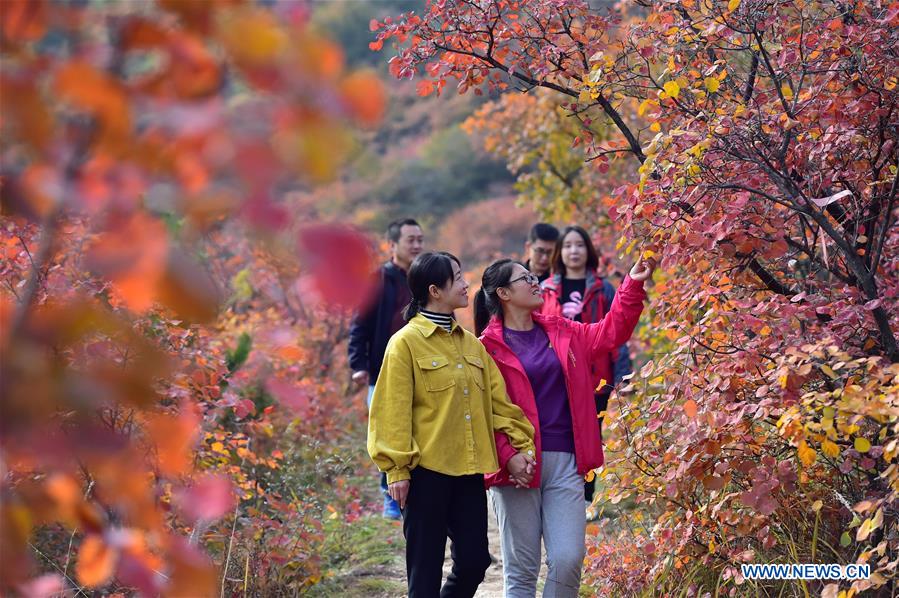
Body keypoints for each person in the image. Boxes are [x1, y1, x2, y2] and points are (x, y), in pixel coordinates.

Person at [474, 256, 654, 597]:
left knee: (569, 558)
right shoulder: (485, 349)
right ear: (503, 294)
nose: (534, 282)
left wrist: (632, 283)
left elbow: (612, 330)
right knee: (522, 571)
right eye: (524, 279)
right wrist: (506, 454)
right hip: (518, 467)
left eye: (532, 276)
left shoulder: (563, 331)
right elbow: (482, 414)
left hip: (566, 461)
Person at [367, 251, 537, 598]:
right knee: (424, 571)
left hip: (468, 470)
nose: (465, 284)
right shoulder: (405, 344)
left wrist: (519, 446)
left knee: (475, 562)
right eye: (458, 278)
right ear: (435, 290)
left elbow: (498, 405)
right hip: (425, 471)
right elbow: (391, 410)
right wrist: (396, 470)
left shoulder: (472, 346)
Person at [537, 225, 634, 504]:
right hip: (555, 378)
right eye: (567, 245)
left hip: (594, 378)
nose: (573, 251)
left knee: (590, 437)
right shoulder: (545, 289)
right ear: (560, 251)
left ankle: (585, 497)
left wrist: (622, 377)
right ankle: (556, 491)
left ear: (588, 250)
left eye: (579, 245)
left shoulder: (602, 288)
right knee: (558, 434)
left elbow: (616, 336)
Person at [348, 217, 423, 518]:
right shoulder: (378, 279)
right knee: (385, 432)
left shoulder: (425, 275)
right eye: (411, 240)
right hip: (383, 370)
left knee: (418, 428)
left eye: (420, 239)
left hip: (421, 368)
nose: (417, 245)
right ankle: (389, 494)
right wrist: (358, 365)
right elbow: (359, 324)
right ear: (392, 245)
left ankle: (416, 490)